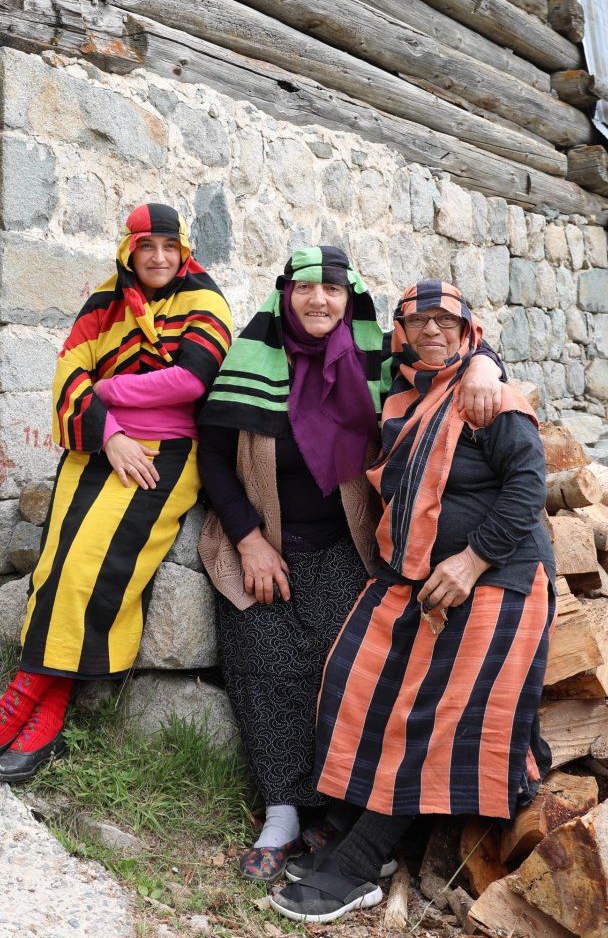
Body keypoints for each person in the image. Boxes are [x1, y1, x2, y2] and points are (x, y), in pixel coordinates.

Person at [196, 250, 505, 883]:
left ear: (350, 298)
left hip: (350, 546)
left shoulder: (374, 362)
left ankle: (336, 814)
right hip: (265, 544)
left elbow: (443, 350)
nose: (319, 301)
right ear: (285, 295)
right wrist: (249, 538)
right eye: (305, 289)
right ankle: (282, 814)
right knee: (261, 658)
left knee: (347, 670)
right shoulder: (252, 359)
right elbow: (215, 460)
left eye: (332, 291)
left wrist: (486, 362)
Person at [270, 279, 556, 923]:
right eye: (419, 321)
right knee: (356, 682)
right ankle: (354, 843)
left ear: (467, 332)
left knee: (430, 715)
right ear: (401, 332)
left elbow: (528, 487)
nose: (432, 331)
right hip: (423, 580)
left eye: (446, 323)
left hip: (498, 579)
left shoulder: (489, 395)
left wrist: (473, 557)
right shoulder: (402, 397)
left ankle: (358, 865)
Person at [0, 203, 232, 784]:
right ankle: (35, 707)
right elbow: (67, 374)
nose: (158, 258)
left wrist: (109, 394)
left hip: (165, 457)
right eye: (147, 247)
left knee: (92, 573)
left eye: (168, 248)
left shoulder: (205, 301)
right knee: (55, 567)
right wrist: (110, 433)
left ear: (183, 252)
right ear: (129, 250)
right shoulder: (102, 304)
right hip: (95, 449)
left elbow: (192, 380)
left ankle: (30, 706)